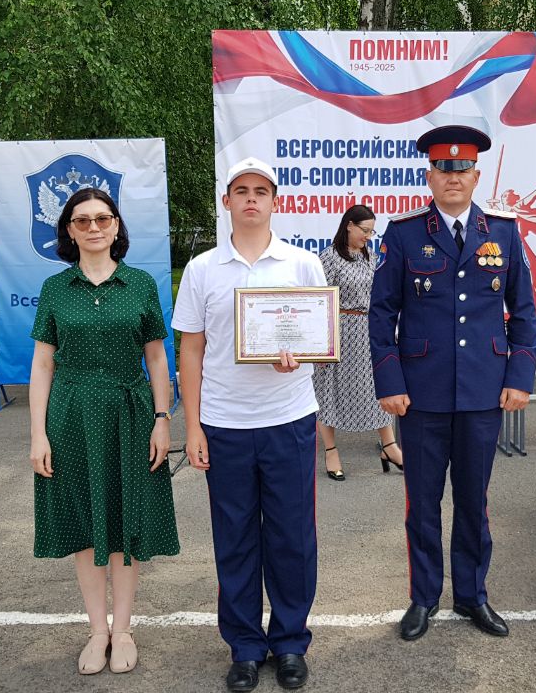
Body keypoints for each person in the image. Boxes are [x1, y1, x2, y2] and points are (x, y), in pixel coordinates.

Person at [369, 125, 536, 642]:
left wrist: (519, 378)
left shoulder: (502, 232)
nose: (453, 177)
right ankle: (424, 597)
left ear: (476, 176)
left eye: (462, 169)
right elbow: (382, 314)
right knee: (422, 503)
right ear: (430, 176)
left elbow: (524, 312)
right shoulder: (403, 234)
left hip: (484, 391)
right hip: (421, 393)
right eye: (443, 168)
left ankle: (472, 595)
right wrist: (389, 381)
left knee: (473, 500)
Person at [174, 157, 326, 692]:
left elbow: (318, 340)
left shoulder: (302, 264)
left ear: (276, 202)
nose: (252, 199)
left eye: (262, 191)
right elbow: (191, 351)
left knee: (292, 537)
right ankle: (243, 646)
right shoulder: (202, 269)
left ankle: (289, 642)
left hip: (289, 419)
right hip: (225, 424)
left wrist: (297, 359)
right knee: (235, 538)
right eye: (242, 191)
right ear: (227, 202)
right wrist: (192, 427)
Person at [27, 187, 179, 676]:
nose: (93, 227)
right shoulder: (55, 288)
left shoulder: (140, 284)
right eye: (82, 220)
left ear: (116, 226)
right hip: (70, 417)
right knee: (86, 523)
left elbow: (157, 358)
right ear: (69, 232)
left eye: (102, 218)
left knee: (126, 520)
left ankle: (124, 629)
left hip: (131, 415)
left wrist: (162, 419)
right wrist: (37, 434)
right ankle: (97, 631)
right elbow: (42, 365)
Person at [312, 204, 402, 481]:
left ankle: (389, 446)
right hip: (338, 331)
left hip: (369, 330)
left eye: (372, 232)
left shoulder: (370, 257)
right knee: (329, 389)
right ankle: (331, 451)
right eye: (364, 230)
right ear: (349, 225)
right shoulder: (329, 258)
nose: (368, 236)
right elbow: (319, 301)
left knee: (378, 385)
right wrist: (321, 343)